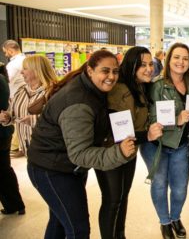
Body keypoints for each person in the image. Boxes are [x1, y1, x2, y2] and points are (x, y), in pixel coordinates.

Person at [27, 50, 137, 239]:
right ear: (90, 70)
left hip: (62, 166)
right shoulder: (79, 103)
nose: (111, 77)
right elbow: (80, 154)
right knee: (78, 230)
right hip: (52, 170)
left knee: (60, 222)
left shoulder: (89, 88)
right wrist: (118, 152)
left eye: (115, 71)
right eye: (105, 71)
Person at [98, 46, 159, 239]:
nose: (149, 68)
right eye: (143, 65)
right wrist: (147, 135)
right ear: (131, 66)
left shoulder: (139, 86)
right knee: (113, 200)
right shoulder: (121, 90)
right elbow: (120, 132)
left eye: (151, 64)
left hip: (129, 152)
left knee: (121, 198)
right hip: (111, 153)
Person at [140, 42, 189, 239]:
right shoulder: (157, 86)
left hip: (181, 146)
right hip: (156, 146)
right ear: (168, 59)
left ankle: (175, 217)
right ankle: (165, 222)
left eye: (185, 58)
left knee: (180, 188)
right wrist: (177, 119)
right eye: (176, 57)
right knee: (159, 185)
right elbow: (150, 119)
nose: (180, 62)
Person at [0, 55, 57, 156]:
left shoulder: (54, 92)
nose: (21, 72)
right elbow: (14, 115)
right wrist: (7, 117)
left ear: (37, 70)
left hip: (50, 153)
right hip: (29, 151)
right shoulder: (21, 90)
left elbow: (59, 119)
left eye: (25, 69)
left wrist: (34, 120)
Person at [0, 62, 25, 215]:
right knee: (4, 170)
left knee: (3, 171)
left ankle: (14, 204)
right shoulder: (2, 79)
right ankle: (14, 204)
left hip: (2, 130)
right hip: (4, 131)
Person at [2, 40, 26, 157]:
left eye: (6, 52)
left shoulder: (13, 64)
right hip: (23, 96)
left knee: (17, 121)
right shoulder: (25, 59)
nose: (5, 54)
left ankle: (16, 147)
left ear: (10, 50)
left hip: (15, 96)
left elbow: (7, 80)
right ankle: (19, 146)